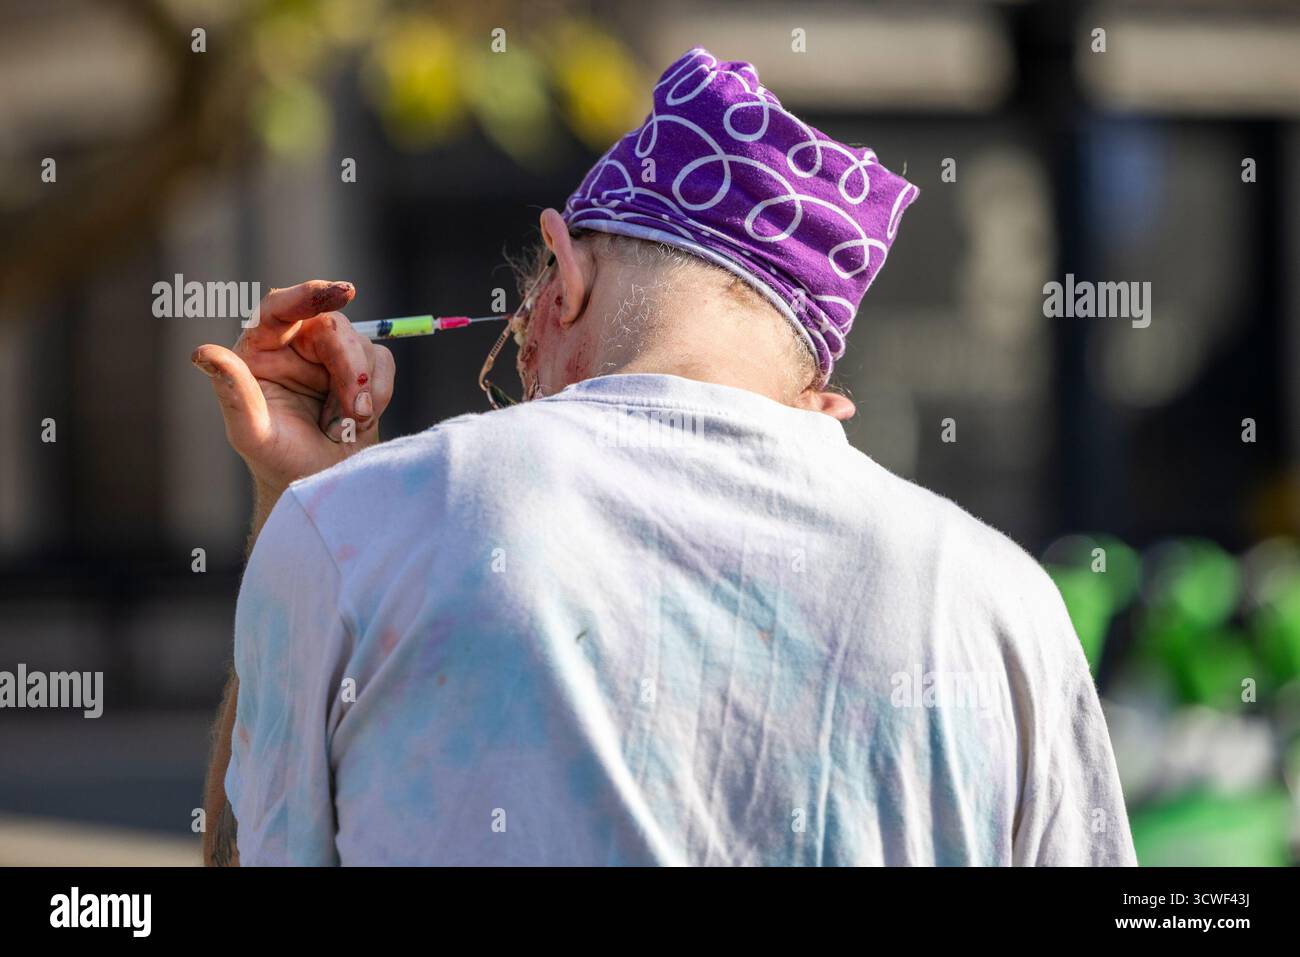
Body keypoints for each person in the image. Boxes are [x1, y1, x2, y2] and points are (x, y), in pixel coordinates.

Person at [194, 48, 1136, 866]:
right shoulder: (1002, 603)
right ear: (820, 401)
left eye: (521, 361)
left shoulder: (358, 526)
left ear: (563, 282)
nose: (534, 405)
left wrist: (294, 501)